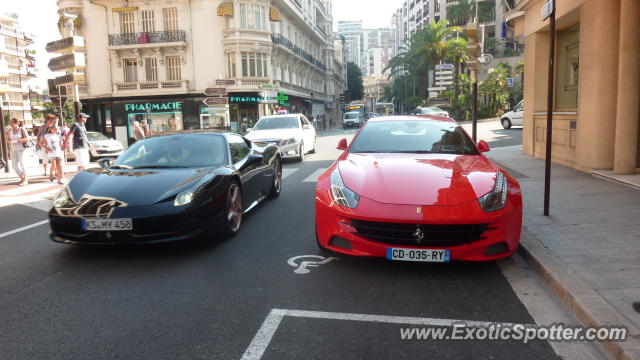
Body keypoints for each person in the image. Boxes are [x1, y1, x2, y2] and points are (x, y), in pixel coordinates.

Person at [6, 118, 30, 185]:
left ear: (17, 123)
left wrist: (18, 141)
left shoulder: (22, 129)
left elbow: (27, 139)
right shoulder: (9, 130)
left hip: (22, 149)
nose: (10, 124)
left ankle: (25, 180)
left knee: (23, 164)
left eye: (12, 123)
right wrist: (10, 142)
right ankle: (23, 177)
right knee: (14, 166)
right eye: (10, 123)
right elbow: (7, 140)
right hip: (13, 149)